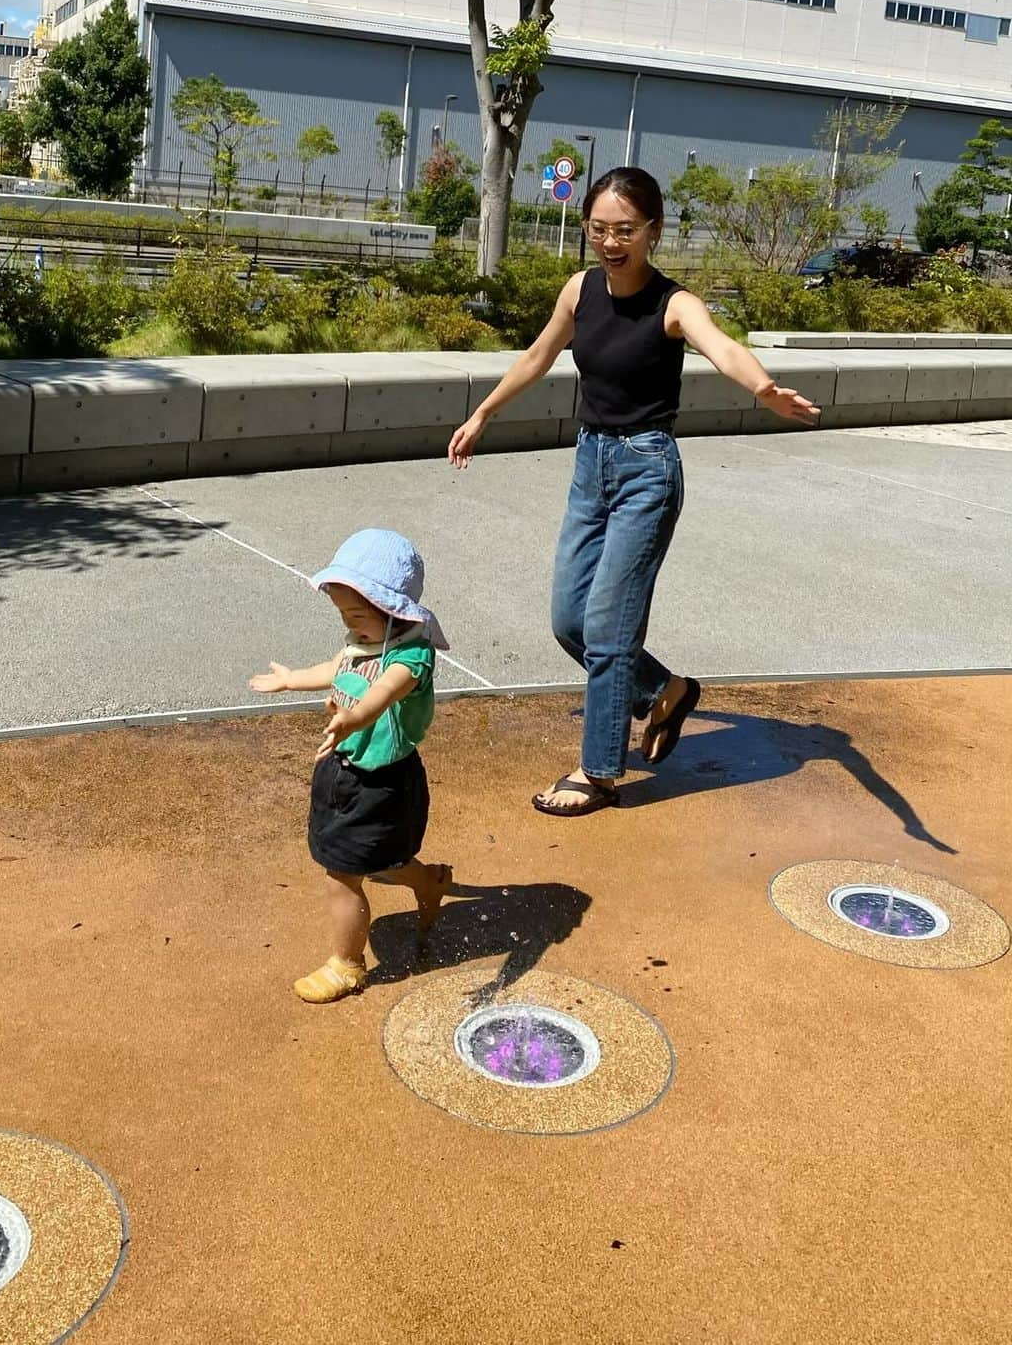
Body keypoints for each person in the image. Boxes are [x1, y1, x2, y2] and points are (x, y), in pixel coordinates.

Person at [448, 166, 820, 816]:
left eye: (625, 230)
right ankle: (666, 690)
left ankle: (598, 771)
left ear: (654, 230)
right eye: (598, 229)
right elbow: (538, 355)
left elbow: (722, 348)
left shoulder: (675, 304)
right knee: (570, 618)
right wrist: (483, 414)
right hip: (590, 464)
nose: (610, 242)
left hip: (648, 472)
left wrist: (761, 388)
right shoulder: (579, 290)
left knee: (608, 627)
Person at [249, 528, 452, 1002]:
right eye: (343, 615)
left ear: (392, 610)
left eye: (357, 615)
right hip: (342, 768)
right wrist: (292, 680)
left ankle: (346, 964)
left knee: (342, 874)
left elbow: (383, 694)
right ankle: (428, 879)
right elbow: (337, 668)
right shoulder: (363, 641)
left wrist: (353, 717)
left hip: (382, 783)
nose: (350, 624)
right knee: (376, 862)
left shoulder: (412, 656)